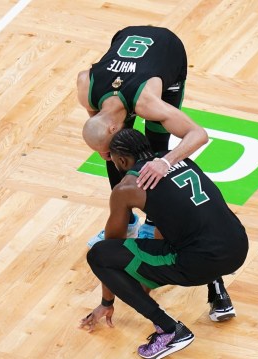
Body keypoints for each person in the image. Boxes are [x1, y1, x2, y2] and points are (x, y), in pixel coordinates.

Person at [79, 129, 249, 359]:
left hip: (200, 262)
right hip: (239, 245)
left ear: (120, 160)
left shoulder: (127, 187)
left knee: (98, 254)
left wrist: (106, 301)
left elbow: (111, 246)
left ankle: (170, 330)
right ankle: (219, 293)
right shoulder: (179, 159)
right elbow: (170, 223)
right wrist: (150, 274)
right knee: (197, 227)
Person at [77, 25, 208, 245]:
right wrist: (104, 150)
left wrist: (165, 162)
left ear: (112, 128)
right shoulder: (85, 86)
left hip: (168, 50)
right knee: (116, 155)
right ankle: (125, 220)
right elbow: (95, 117)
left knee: (155, 146)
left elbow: (199, 134)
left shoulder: (148, 102)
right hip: (124, 38)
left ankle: (154, 222)